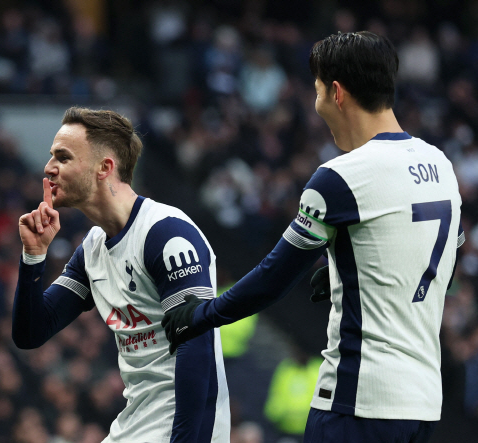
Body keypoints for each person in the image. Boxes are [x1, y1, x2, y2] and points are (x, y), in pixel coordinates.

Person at [162, 31, 463, 443]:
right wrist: (350, 269)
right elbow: (441, 253)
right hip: (423, 405)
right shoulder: (441, 164)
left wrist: (201, 316)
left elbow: (272, 279)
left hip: (357, 402)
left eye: (317, 90)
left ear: (336, 93)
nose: (316, 103)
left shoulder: (341, 177)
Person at [12, 107, 230, 442]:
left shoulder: (166, 234)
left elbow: (196, 347)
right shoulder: (93, 248)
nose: (49, 167)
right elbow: (30, 333)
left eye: (63, 157)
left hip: (180, 427)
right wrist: (33, 256)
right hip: (133, 423)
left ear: (105, 167)